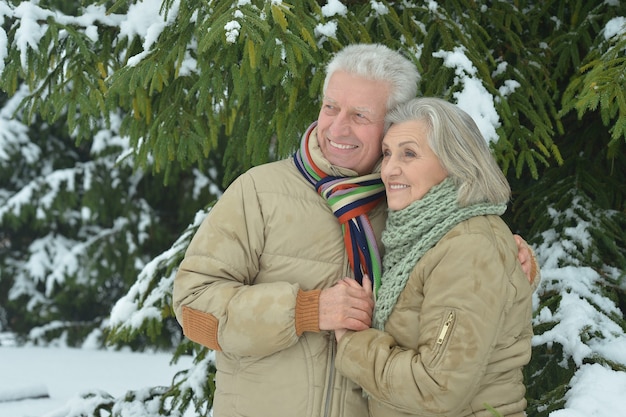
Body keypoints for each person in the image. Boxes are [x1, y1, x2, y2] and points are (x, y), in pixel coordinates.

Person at [172, 44, 537, 417]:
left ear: (392, 124)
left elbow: (460, 289)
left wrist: (509, 265)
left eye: (360, 115)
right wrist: (304, 310)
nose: (337, 127)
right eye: (331, 107)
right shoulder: (260, 192)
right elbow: (193, 311)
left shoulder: (411, 206)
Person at [334, 97, 537, 417]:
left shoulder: (468, 247)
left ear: (455, 162)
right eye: (387, 153)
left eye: (409, 154)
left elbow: (436, 388)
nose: (389, 169)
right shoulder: (424, 235)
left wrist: (353, 345)